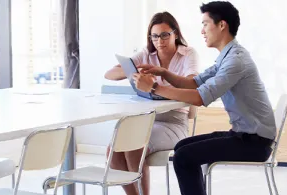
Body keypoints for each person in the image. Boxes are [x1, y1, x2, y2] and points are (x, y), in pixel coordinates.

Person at [132, 2, 276, 195]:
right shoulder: (227, 56)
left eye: (205, 24)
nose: (202, 31)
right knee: (182, 147)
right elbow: (195, 83)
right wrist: (164, 73)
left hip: (254, 143)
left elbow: (199, 97)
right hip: (244, 135)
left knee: (183, 156)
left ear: (222, 25)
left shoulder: (236, 61)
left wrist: (155, 87)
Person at [104, 11, 199, 195]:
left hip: (174, 122)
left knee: (133, 144)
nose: (159, 41)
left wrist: (156, 83)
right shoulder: (148, 53)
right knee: (113, 149)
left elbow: (192, 83)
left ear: (175, 34)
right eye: (155, 36)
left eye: (165, 35)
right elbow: (109, 74)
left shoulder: (188, 54)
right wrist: (134, 71)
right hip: (149, 120)